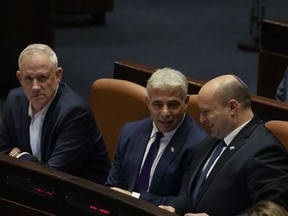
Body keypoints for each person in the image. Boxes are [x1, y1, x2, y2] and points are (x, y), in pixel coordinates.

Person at [159, 74, 288, 215]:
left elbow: (272, 212)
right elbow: (198, 186)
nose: (201, 119)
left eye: (206, 112)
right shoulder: (214, 138)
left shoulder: (265, 151)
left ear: (232, 107)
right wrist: (175, 207)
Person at [0, 43, 111, 184]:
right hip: (31, 185)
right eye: (28, 78)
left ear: (58, 75)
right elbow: (3, 149)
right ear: (19, 78)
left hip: (78, 195)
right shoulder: (14, 100)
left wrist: (18, 155)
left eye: (42, 78)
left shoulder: (75, 113)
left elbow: (52, 174)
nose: (35, 87)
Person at [105, 67, 208, 205]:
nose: (165, 113)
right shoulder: (129, 132)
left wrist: (134, 197)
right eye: (158, 104)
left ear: (186, 102)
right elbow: (112, 186)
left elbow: (184, 202)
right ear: (148, 102)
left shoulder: (199, 144)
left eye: (173, 104)